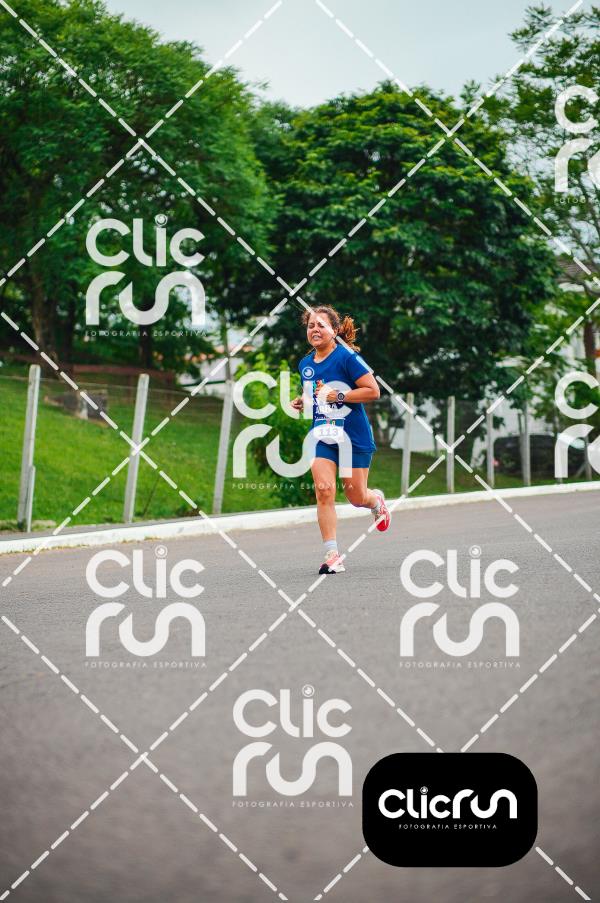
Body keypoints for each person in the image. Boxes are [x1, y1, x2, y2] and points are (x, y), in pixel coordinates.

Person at [291, 305, 391, 575]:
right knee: (324, 491)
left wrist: (340, 396)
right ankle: (332, 555)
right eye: (311, 325)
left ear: (334, 331)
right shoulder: (305, 364)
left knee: (356, 497)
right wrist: (303, 401)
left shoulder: (348, 358)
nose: (315, 329)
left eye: (321, 325)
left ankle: (375, 501)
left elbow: (373, 391)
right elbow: (316, 396)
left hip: (353, 437)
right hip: (322, 436)